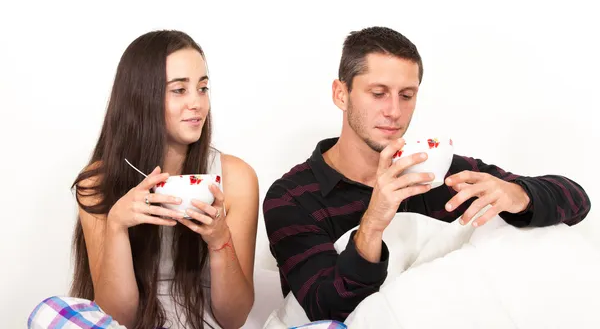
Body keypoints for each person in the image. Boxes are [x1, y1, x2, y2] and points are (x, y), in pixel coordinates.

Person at [262, 26, 591, 322]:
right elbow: (328, 311)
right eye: (378, 93)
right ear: (341, 94)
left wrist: (518, 195)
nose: (394, 111)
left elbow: (577, 202)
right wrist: (373, 223)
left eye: (407, 95)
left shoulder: (439, 170)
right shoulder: (292, 197)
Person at [49, 30, 258, 329]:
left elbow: (234, 318)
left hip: (203, 324)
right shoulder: (97, 183)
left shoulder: (236, 177)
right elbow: (115, 318)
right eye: (179, 90)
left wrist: (220, 240)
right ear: (142, 97)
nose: (197, 103)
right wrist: (117, 226)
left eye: (202, 88)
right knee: (49, 311)